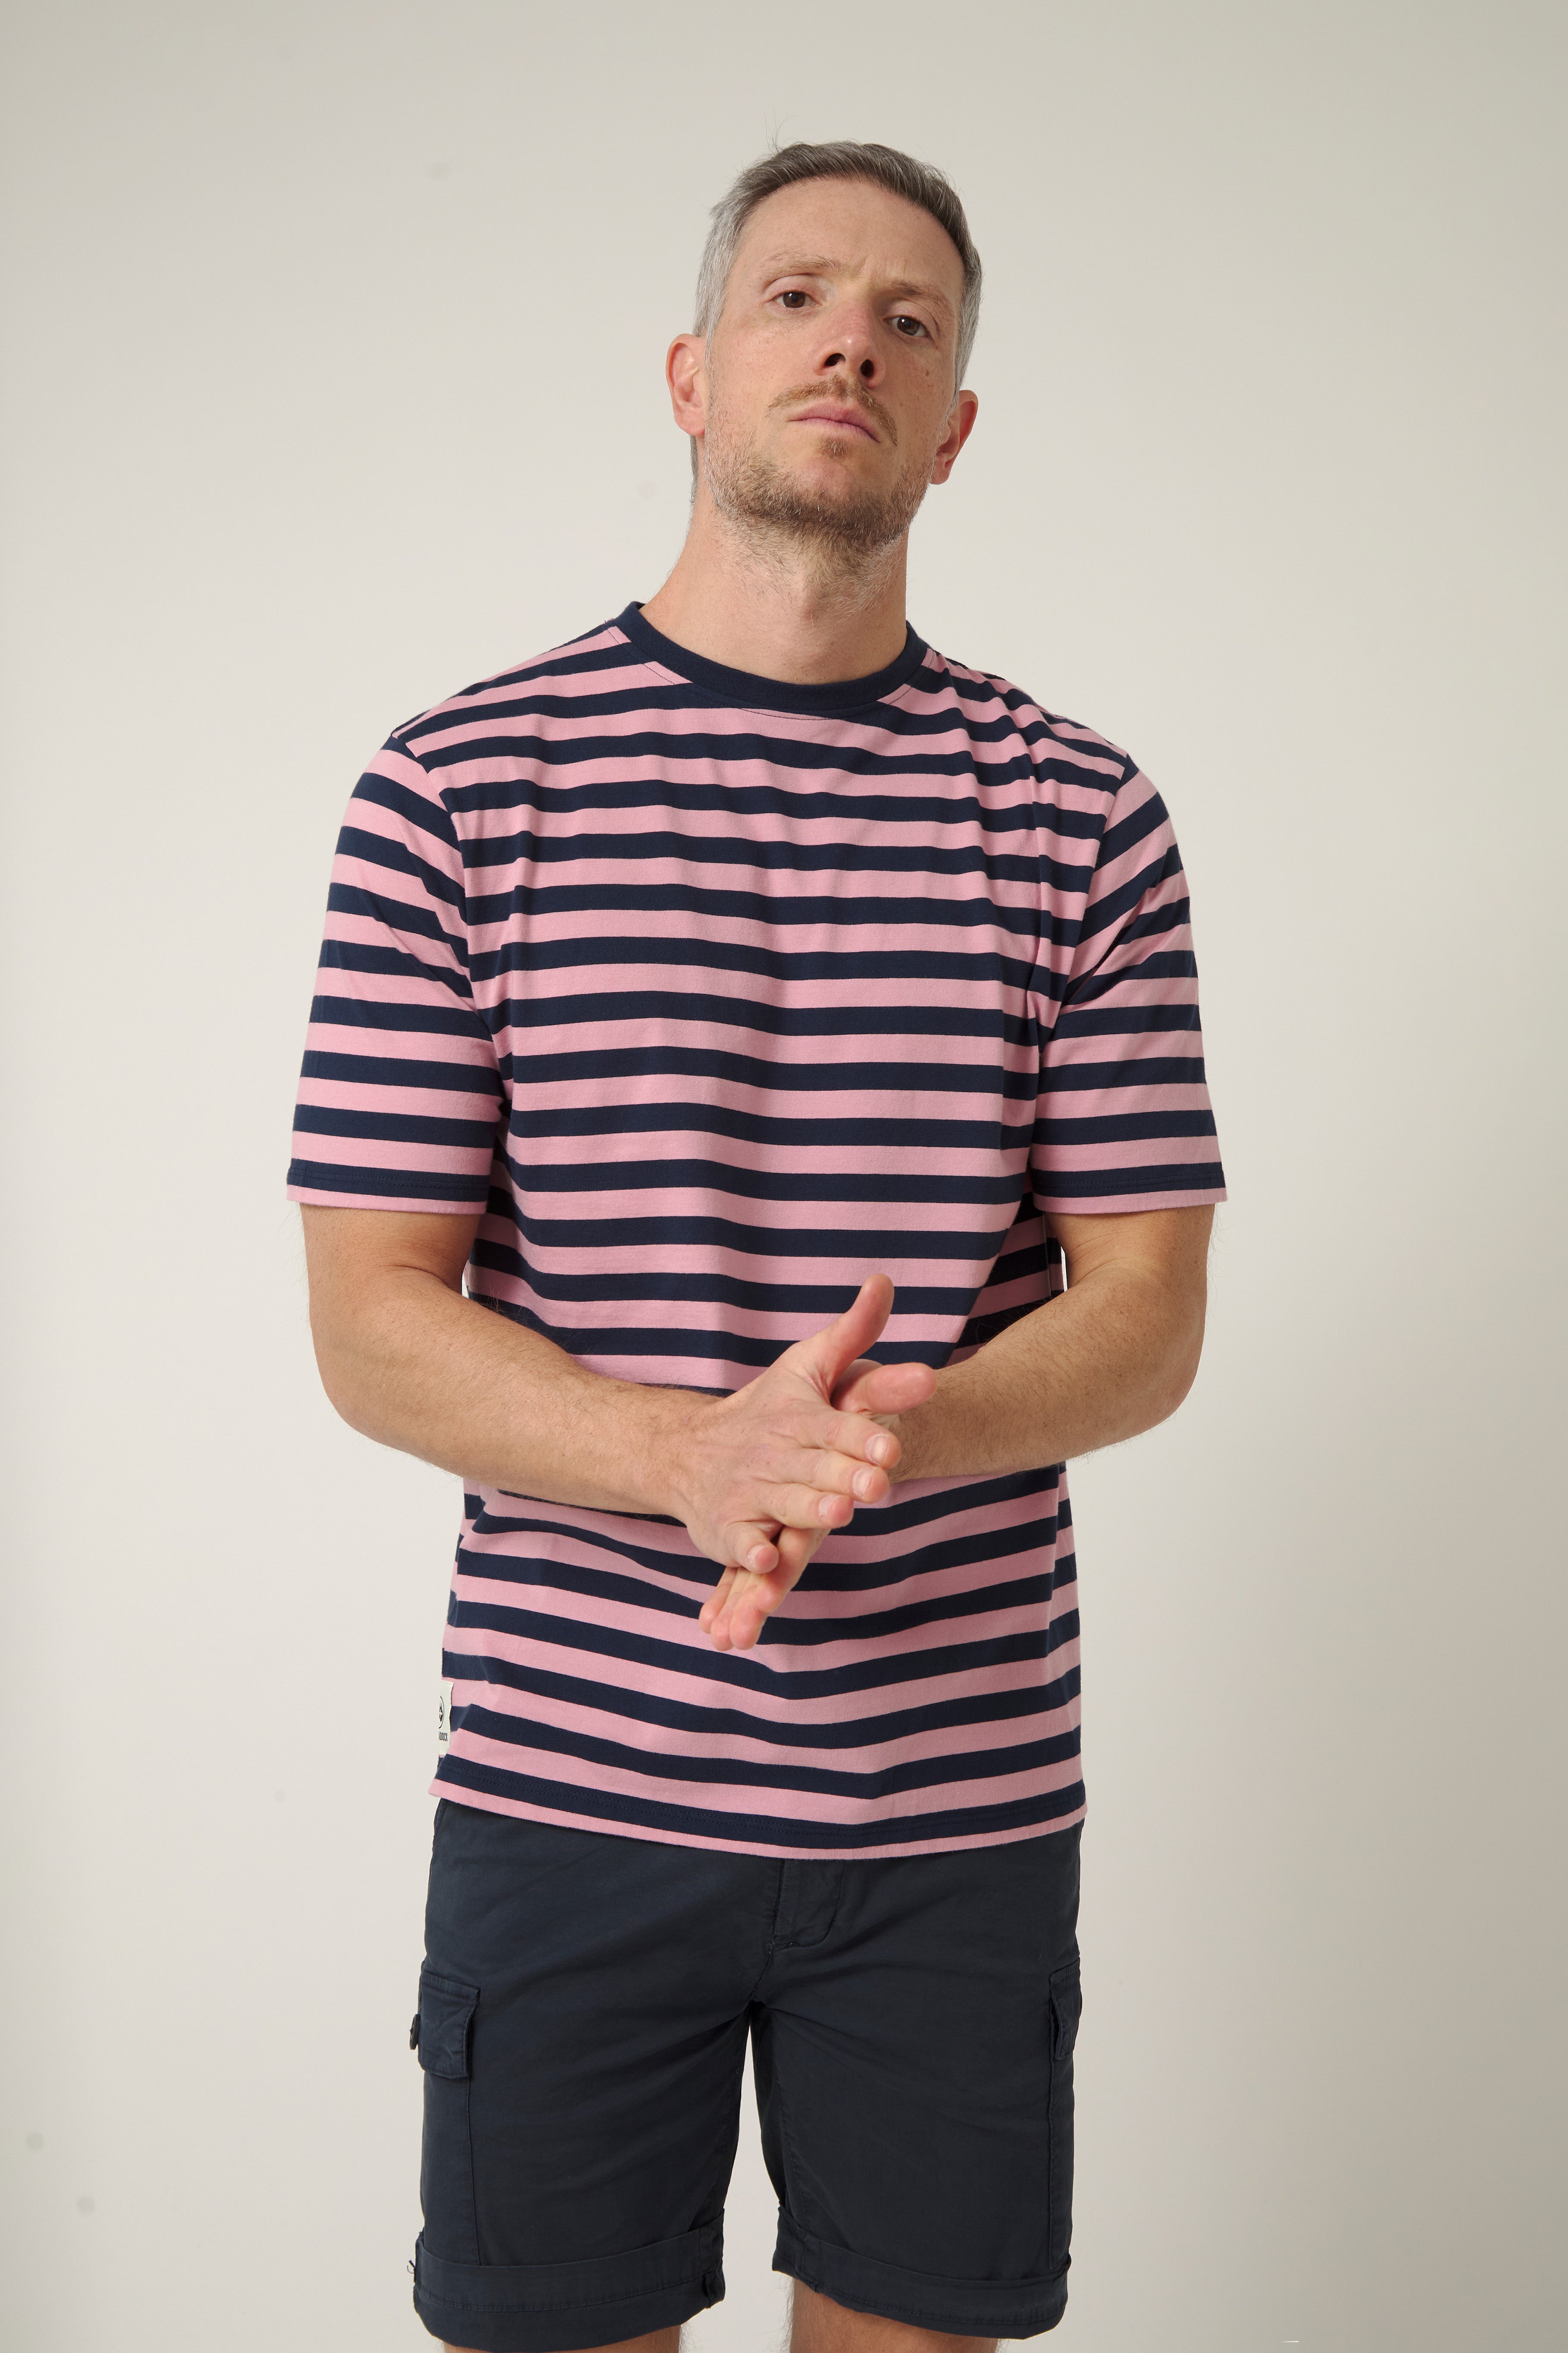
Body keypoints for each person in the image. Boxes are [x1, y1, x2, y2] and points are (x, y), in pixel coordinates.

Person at [289, 138, 1225, 2353]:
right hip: (566, 1791)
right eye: (797, 297)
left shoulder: (1077, 815)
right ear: (693, 374)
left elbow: (1149, 1313)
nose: (852, 346)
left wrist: (887, 1429)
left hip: (954, 1811)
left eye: (910, 321)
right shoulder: (458, 790)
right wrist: (692, 1457)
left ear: (954, 425)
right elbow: (370, 1318)